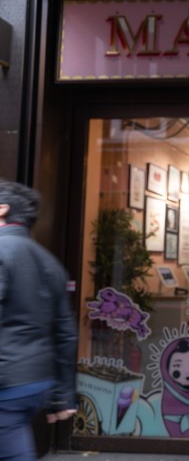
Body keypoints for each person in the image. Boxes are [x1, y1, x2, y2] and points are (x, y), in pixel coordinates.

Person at [0, 180, 78, 460]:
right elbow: (66, 332)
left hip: (6, 381)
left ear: (2, 210)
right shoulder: (49, 261)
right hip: (35, 382)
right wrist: (63, 394)